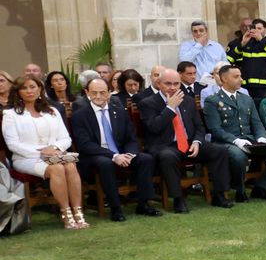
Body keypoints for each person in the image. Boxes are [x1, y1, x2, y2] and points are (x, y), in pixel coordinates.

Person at [68, 76, 160, 220]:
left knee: (145, 159)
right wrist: (114, 156)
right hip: (96, 154)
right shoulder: (79, 116)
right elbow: (85, 145)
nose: (98, 96)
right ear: (87, 93)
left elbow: (131, 137)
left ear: (109, 92)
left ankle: (143, 203)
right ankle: (115, 208)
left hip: (121, 152)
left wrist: (130, 153)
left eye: (102, 92)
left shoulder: (119, 111)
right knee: (106, 164)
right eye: (94, 93)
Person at [3, 75, 87, 228]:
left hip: (55, 154)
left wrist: (54, 149)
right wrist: (43, 152)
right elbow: (13, 144)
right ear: (18, 92)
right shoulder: (11, 114)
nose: (29, 91)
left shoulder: (52, 111)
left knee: (70, 166)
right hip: (26, 158)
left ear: (40, 89)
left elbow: (65, 138)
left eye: (33, 87)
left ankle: (78, 212)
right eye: (24, 88)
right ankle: (66, 213)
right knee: (57, 169)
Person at [140, 69, 229, 213]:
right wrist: (170, 107)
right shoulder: (148, 103)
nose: (173, 87)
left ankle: (219, 195)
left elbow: (199, 127)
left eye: (176, 84)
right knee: (168, 157)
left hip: (189, 143)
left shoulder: (187, 100)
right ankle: (178, 199)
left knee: (219, 150)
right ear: (159, 84)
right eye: (168, 84)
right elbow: (154, 127)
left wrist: (197, 142)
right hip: (164, 145)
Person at [204, 65, 266, 203]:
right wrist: (236, 141)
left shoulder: (246, 99)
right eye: (236, 77)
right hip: (227, 142)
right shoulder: (213, 101)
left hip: (250, 140)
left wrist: (261, 137)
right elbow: (215, 129)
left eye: (241, 76)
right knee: (238, 156)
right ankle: (239, 190)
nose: (241, 79)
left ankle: (261, 187)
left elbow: (256, 122)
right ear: (224, 79)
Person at [179, 19, 229, 94]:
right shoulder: (186, 46)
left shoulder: (217, 46)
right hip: (198, 84)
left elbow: (226, 65)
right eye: (195, 31)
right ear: (192, 33)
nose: (198, 33)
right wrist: (198, 45)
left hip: (216, 84)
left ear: (206, 31)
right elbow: (184, 62)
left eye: (201, 30)